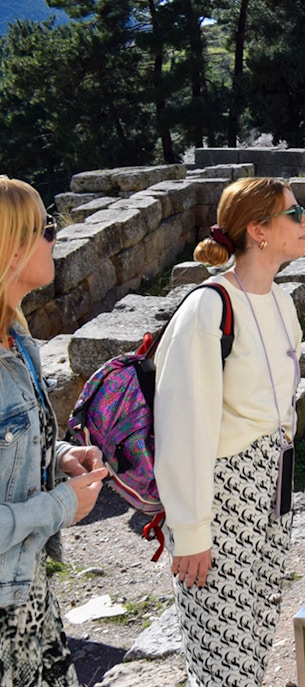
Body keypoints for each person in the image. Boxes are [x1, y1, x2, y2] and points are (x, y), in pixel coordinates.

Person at [153, 177, 305, 686]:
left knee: (253, 641)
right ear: (259, 230)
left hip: (271, 489)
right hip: (222, 496)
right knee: (221, 656)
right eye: (294, 212)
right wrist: (191, 531)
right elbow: (183, 426)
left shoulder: (281, 302)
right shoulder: (209, 307)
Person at [0, 177, 108, 684]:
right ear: (12, 246)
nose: (56, 236)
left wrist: (61, 455)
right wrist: (62, 505)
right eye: (46, 227)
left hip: (29, 590)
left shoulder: (18, 338)